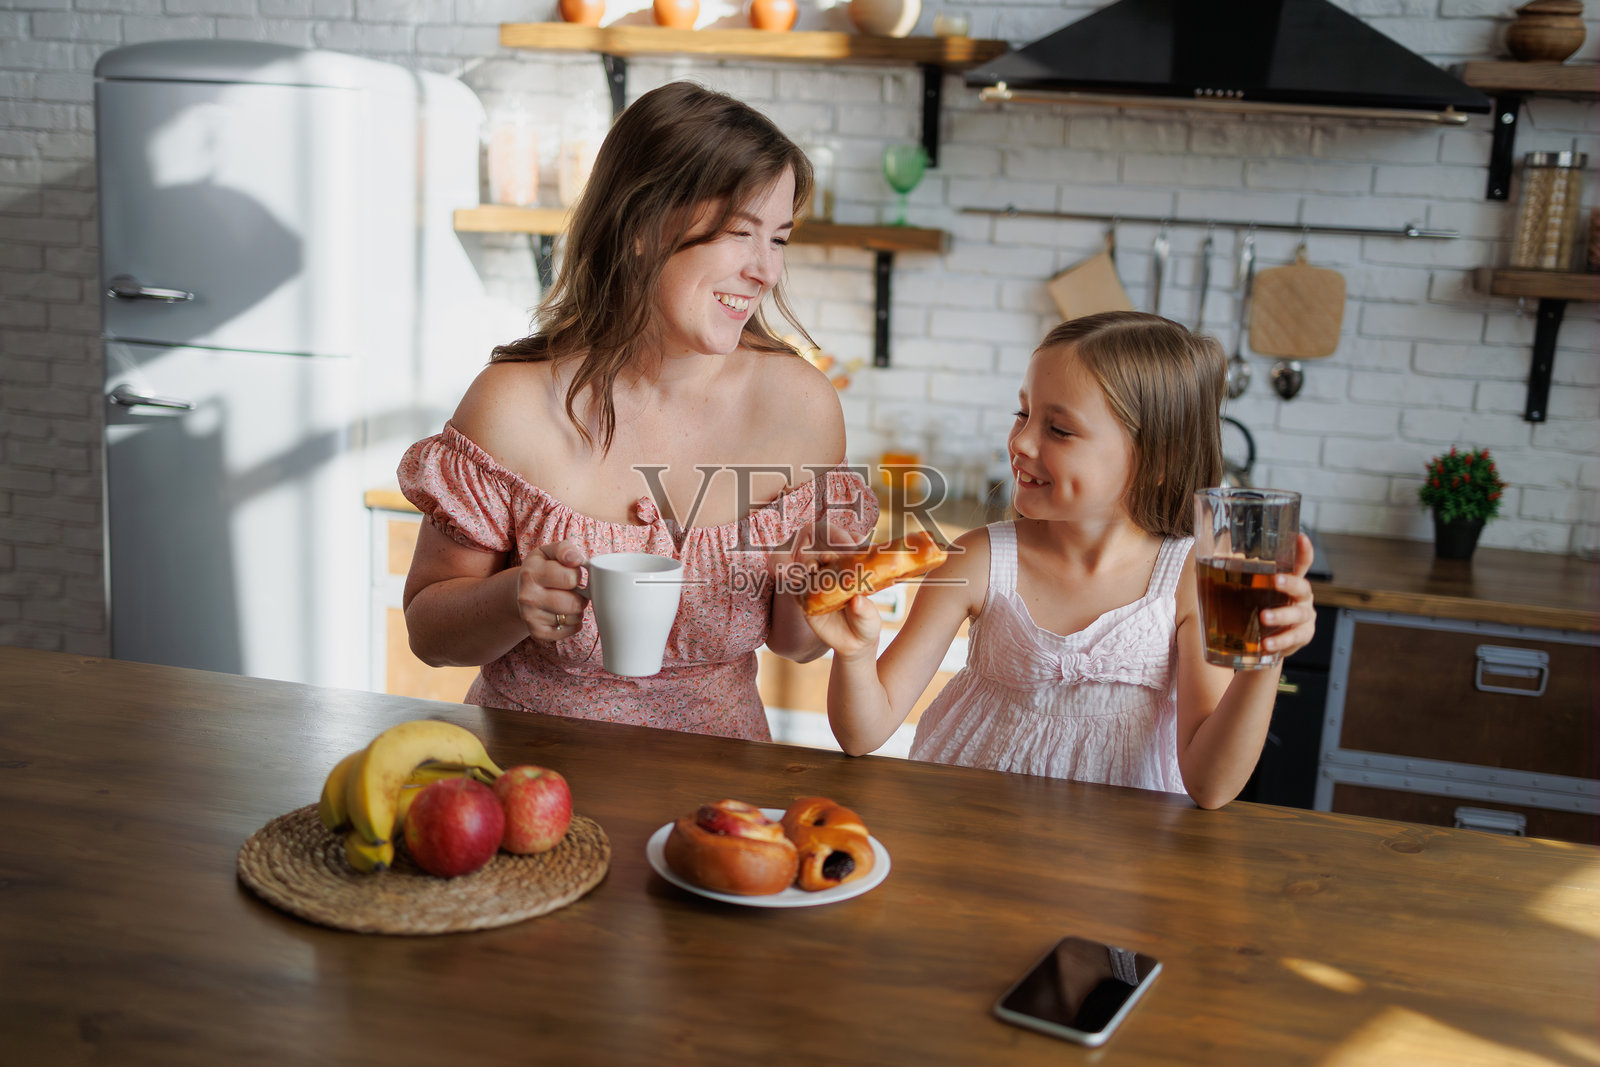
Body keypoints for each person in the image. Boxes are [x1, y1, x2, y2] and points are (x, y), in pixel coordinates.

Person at [398, 81, 877, 741]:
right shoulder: (512, 405)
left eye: (779, 239)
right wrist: (513, 599)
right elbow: (430, 631)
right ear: (644, 228)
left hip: (717, 802)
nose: (765, 270)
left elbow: (798, 644)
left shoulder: (800, 408)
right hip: (526, 781)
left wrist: (822, 587)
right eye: (741, 234)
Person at [804, 311, 1317, 808]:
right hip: (964, 836)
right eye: (1023, 414)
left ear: (1156, 461)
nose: (1021, 441)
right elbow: (862, 734)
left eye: (1060, 430)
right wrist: (854, 654)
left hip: (1115, 865)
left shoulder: (1186, 580)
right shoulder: (980, 560)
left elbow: (1210, 786)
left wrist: (1261, 662)